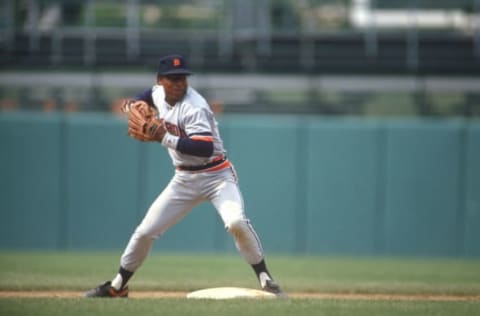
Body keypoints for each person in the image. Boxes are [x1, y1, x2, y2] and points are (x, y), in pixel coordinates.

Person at [84, 54, 285, 298]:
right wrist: (132, 104)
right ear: (161, 81)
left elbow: (204, 148)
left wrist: (163, 138)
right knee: (145, 231)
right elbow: (146, 96)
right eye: (173, 79)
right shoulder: (158, 93)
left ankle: (265, 278)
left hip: (216, 176)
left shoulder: (194, 106)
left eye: (183, 78)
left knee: (236, 222)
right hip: (184, 180)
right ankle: (117, 287)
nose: (180, 83)